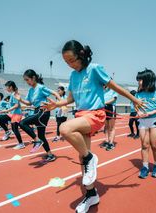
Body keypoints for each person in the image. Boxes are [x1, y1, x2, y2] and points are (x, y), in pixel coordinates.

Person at [44, 40, 145, 213]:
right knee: (83, 164)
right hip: (81, 115)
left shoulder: (95, 69)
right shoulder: (73, 76)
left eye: (72, 60)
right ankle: (91, 194)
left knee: (65, 129)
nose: (70, 65)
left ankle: (90, 157)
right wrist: (57, 104)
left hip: (96, 115)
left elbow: (116, 87)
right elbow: (70, 99)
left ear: (81, 55)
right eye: (66, 62)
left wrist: (134, 99)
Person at [14, 69, 61, 162]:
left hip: (43, 111)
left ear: (33, 78)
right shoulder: (31, 90)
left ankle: (37, 141)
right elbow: (29, 103)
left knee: (22, 122)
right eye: (25, 80)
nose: (26, 82)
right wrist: (20, 100)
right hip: (37, 111)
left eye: (27, 80)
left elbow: (55, 93)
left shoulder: (40, 87)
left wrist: (61, 104)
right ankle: (50, 155)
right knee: (41, 136)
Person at [135, 69, 156, 179]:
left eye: (140, 79)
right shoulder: (138, 94)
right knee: (144, 145)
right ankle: (145, 167)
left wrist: (152, 112)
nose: (138, 82)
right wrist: (138, 112)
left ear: (148, 80)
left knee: (154, 145)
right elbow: (135, 106)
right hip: (143, 122)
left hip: (155, 120)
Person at [0, 81, 26, 150]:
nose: (6, 89)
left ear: (11, 87)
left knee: (15, 129)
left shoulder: (14, 94)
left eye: (7, 87)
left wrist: (7, 110)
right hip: (12, 114)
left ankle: (21, 144)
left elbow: (16, 105)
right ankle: (7, 131)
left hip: (16, 114)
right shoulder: (13, 94)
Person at [100, 85, 118, 151]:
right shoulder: (103, 90)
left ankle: (111, 143)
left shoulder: (114, 89)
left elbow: (114, 98)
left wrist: (104, 102)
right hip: (104, 108)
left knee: (111, 127)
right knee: (106, 126)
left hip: (111, 107)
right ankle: (107, 141)